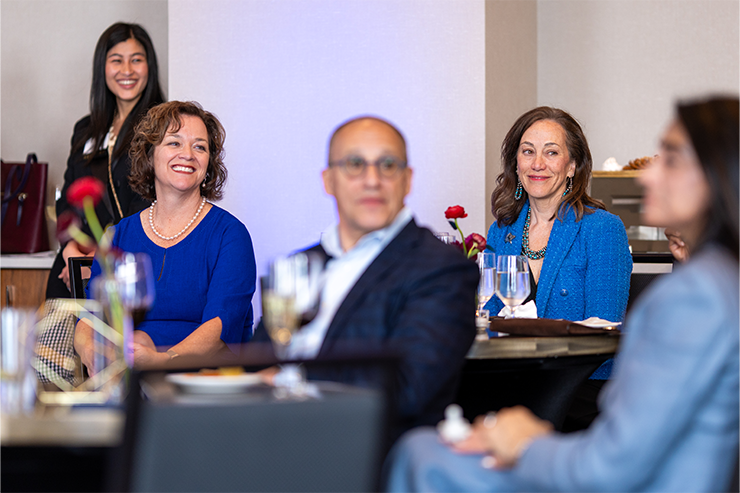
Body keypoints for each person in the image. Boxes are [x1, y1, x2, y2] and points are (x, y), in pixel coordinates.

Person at [386, 96, 739, 492]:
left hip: (575, 386)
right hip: (516, 378)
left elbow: (609, 462)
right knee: (430, 428)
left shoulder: (689, 292)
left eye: (670, 161)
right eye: (528, 152)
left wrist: (527, 443)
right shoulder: (504, 229)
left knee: (419, 451)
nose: (646, 177)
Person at [253, 116, 480, 436]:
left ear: (408, 179)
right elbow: (256, 363)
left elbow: (406, 390)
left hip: (362, 455)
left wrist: (285, 381)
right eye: (355, 164)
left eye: (387, 165)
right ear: (328, 180)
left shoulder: (442, 270)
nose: (372, 179)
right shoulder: (299, 265)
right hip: (264, 436)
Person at [74, 101, 256, 371]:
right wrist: (92, 352)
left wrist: (162, 361)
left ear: (208, 163)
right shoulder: (117, 236)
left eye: (200, 146)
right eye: (174, 143)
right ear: (150, 155)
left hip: (205, 380)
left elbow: (220, 328)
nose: (188, 154)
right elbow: (91, 318)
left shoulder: (230, 235)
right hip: (126, 375)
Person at [47, 22, 165, 299]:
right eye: (116, 61)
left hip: (128, 262)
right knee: (53, 340)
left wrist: (100, 257)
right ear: (103, 67)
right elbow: (68, 201)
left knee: (109, 341)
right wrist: (71, 250)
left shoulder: (163, 127)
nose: (127, 71)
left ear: (150, 66)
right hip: (72, 262)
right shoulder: (86, 129)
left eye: (136, 60)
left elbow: (152, 201)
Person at [483, 106, 631, 324]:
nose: (537, 164)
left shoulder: (602, 229)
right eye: (528, 151)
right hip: (507, 358)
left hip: (575, 359)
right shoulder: (501, 231)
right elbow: (488, 322)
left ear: (572, 166)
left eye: (551, 152)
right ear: (516, 164)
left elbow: (604, 333)